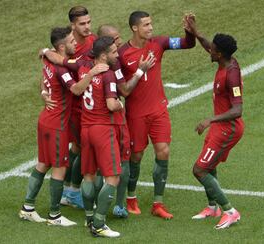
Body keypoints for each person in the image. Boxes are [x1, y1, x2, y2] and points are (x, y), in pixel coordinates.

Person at [19, 26, 105, 226]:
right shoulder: (62, 68)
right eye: (71, 41)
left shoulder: (48, 59)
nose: (75, 43)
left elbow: (43, 78)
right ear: (61, 46)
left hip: (46, 120)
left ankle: (28, 208)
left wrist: (43, 93)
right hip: (56, 124)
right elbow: (75, 90)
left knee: (43, 163)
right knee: (59, 167)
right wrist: (91, 74)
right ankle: (55, 215)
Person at [117, 11, 196, 219]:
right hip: (136, 115)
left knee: (163, 151)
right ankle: (131, 198)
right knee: (136, 156)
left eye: (151, 24)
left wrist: (190, 32)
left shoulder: (159, 43)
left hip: (158, 110)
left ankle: (157, 203)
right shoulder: (122, 54)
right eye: (146, 25)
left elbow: (188, 44)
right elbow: (121, 89)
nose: (150, 28)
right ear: (135, 28)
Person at [78, 36, 146, 237]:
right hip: (103, 129)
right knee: (113, 177)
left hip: (86, 129)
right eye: (114, 52)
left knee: (89, 175)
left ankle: (89, 217)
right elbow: (110, 104)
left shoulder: (85, 70)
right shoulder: (108, 75)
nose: (118, 55)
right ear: (103, 55)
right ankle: (99, 224)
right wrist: (119, 104)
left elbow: (76, 88)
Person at [184, 16, 244, 229]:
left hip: (228, 129)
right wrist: (196, 31)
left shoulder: (232, 75)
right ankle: (212, 207)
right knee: (209, 165)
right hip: (220, 127)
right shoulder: (223, 59)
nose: (209, 50)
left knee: (199, 170)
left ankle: (230, 211)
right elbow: (209, 45)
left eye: (213, 49)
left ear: (219, 54)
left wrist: (211, 119)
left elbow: (238, 110)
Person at [40, 6, 97, 209]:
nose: (87, 27)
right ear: (72, 26)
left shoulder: (92, 40)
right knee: (84, 147)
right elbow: (51, 68)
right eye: (82, 24)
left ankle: (67, 189)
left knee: (77, 147)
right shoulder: (67, 48)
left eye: (89, 22)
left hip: (89, 105)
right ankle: (71, 191)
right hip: (73, 107)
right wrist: (44, 92)